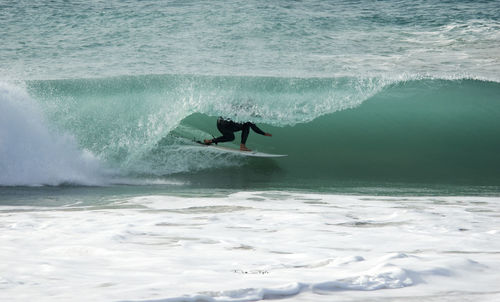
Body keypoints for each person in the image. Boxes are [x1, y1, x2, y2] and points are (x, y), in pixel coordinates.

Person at [203, 117, 272, 151]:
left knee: (231, 137)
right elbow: (254, 128)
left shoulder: (239, 108)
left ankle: (210, 141)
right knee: (247, 125)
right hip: (226, 124)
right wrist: (264, 133)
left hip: (220, 123)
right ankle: (242, 146)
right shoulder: (247, 114)